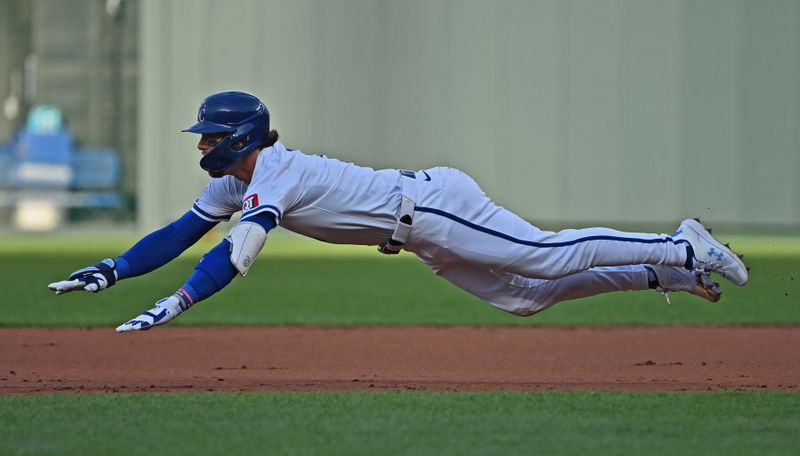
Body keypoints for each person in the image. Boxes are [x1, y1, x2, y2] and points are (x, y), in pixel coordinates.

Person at [48, 91, 748, 332]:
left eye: (208, 134)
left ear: (238, 138)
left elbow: (240, 254)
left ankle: (680, 245)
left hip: (434, 206)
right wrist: (113, 271)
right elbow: (180, 233)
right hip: (417, 238)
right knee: (526, 298)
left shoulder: (276, 173)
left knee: (543, 254)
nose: (201, 143)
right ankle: (670, 277)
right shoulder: (237, 181)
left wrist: (177, 304)